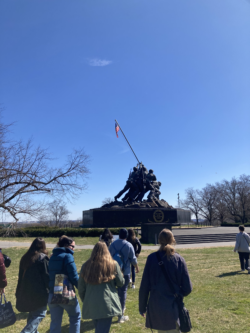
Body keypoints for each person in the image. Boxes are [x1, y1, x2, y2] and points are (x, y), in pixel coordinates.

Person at [139, 229, 192, 333]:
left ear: (159, 241)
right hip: (173, 307)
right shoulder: (179, 259)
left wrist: (142, 307)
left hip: (157, 306)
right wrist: (178, 294)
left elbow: (144, 286)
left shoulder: (151, 258)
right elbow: (188, 288)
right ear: (172, 240)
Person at [78, 242, 124, 333]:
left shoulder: (86, 265)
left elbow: (81, 288)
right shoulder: (113, 264)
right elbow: (121, 283)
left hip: (91, 301)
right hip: (107, 303)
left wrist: (86, 299)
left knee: (99, 329)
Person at [15, 238, 49, 333]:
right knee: (40, 314)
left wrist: (18, 291)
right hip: (39, 293)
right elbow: (47, 276)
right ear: (43, 246)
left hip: (25, 290)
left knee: (32, 314)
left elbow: (20, 277)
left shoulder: (25, 257)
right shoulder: (42, 258)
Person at [48, 235, 81, 333]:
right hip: (65, 292)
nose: (73, 249)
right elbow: (74, 276)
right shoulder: (68, 256)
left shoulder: (52, 256)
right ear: (66, 245)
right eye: (72, 246)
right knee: (75, 317)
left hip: (52, 292)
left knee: (55, 322)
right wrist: (82, 288)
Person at [109, 228, 139, 323]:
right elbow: (133, 259)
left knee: (113, 291)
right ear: (126, 236)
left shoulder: (112, 244)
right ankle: (120, 315)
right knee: (123, 292)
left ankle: (114, 310)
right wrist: (137, 267)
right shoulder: (128, 245)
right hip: (125, 272)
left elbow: (108, 257)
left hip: (113, 271)